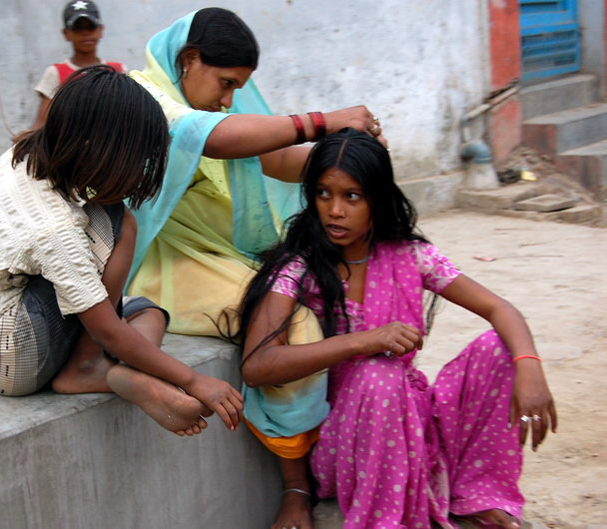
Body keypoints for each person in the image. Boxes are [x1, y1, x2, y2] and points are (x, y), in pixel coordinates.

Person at [231, 129, 558, 528]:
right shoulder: (300, 268)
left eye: (352, 196)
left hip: (415, 420)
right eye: (323, 193)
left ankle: (477, 493)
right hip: (345, 441)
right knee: (377, 375)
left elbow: (498, 308)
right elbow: (258, 365)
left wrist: (529, 366)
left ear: (377, 198)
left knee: (500, 348)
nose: (334, 210)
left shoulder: (411, 256)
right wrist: (361, 342)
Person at [0, 66, 243, 437]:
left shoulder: (31, 154)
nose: (137, 175)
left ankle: (123, 373)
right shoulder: (53, 227)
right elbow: (107, 330)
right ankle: (87, 367)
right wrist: (194, 380)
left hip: (0, 335)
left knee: (148, 313)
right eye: (135, 161)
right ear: (98, 149)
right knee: (121, 225)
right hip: (6, 352)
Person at [125, 8, 385, 339]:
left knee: (328, 291)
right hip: (163, 265)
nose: (228, 100)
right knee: (294, 328)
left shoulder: (210, 110)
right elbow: (212, 138)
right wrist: (320, 123)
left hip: (223, 253)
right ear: (189, 58)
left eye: (237, 88)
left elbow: (275, 160)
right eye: (226, 83)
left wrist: (351, 161)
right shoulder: (141, 97)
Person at [30, 0, 127, 130]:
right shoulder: (56, 73)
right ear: (66, 33)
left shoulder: (118, 71)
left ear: (100, 30)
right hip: (71, 146)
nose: (85, 33)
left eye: (90, 27)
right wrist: (27, 138)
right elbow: (41, 123)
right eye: (78, 28)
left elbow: (130, 115)